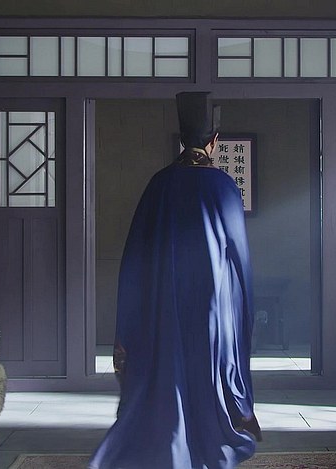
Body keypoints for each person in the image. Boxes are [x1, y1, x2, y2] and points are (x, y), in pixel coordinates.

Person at [89, 92, 261, 469]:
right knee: (207, 368)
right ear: (214, 141)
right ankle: (211, 438)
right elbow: (238, 256)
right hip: (211, 302)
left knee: (169, 368)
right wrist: (242, 304)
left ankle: (168, 438)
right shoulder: (223, 186)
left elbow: (136, 252)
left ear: (183, 140)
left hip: (164, 300)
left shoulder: (159, 184)